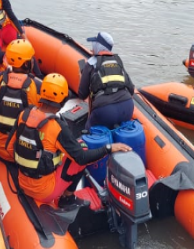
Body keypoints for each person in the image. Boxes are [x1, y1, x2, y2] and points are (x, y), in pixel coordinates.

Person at [13, 73, 132, 207]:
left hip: (22, 181)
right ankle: (67, 198)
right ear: (63, 101)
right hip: (44, 191)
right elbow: (81, 157)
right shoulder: (56, 126)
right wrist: (108, 148)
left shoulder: (24, 115)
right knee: (82, 150)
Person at [77, 31, 135, 129]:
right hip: (127, 106)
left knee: (90, 130)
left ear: (99, 46)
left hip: (104, 110)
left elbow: (82, 94)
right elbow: (131, 90)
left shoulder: (91, 63)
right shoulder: (117, 61)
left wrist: (82, 76)